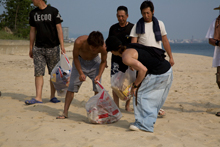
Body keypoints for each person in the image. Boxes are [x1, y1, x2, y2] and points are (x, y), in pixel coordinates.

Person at [106, 36, 173, 132]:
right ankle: (145, 122)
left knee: (140, 95)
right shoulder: (128, 47)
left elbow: (143, 69)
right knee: (149, 97)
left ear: (112, 51)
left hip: (159, 73)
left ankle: (144, 125)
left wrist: (135, 85)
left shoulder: (125, 57)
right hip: (167, 70)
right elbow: (143, 57)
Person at [129, 0, 174, 116]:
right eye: (143, 13)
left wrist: (171, 57)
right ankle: (139, 108)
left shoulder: (160, 24)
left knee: (155, 86)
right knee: (140, 85)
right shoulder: (137, 26)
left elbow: (165, 40)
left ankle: (155, 108)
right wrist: (132, 63)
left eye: (148, 13)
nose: (146, 16)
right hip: (142, 59)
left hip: (157, 59)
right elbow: (133, 44)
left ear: (153, 11)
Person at [56, 31, 107, 119]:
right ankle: (65, 112)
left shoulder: (103, 47)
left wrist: (99, 75)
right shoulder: (79, 42)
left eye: (96, 48)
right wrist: (81, 73)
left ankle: (96, 113)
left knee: (97, 87)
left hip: (95, 63)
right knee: (71, 87)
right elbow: (75, 58)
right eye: (92, 47)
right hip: (80, 61)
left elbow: (103, 61)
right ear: (88, 43)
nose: (94, 49)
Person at [25, 0, 66, 105]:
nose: (32, 1)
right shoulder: (33, 13)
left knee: (53, 73)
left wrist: (62, 45)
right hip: (38, 48)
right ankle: (38, 97)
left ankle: (52, 96)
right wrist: (31, 47)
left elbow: (59, 28)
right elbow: (32, 30)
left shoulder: (53, 11)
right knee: (38, 72)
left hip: (53, 47)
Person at [108, 6, 134, 111]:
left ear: (127, 16)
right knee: (115, 83)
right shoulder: (113, 28)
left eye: (123, 16)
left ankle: (127, 105)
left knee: (129, 82)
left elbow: (135, 44)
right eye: (119, 16)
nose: (121, 18)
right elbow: (109, 44)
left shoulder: (132, 28)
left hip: (128, 59)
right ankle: (116, 106)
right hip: (116, 60)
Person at [206, 5, 220, 117]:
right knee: (219, 80)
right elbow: (210, 39)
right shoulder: (215, 22)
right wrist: (217, 43)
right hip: (219, 56)